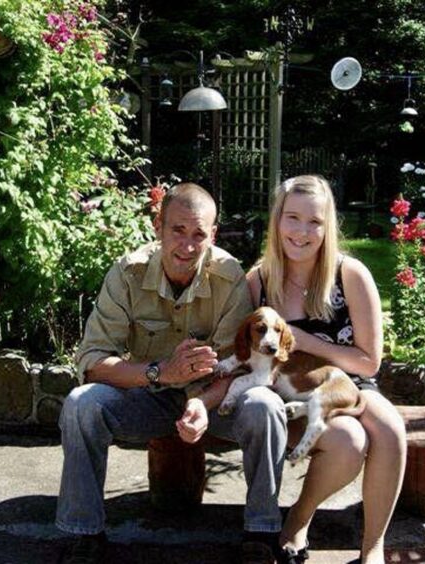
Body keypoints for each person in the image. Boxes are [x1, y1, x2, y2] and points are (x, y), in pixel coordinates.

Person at [56, 183, 288, 564]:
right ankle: (83, 535)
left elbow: (240, 365)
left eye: (199, 234)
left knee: (265, 405)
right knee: (82, 404)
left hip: (214, 400)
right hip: (148, 394)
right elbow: (93, 362)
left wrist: (200, 402)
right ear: (158, 225)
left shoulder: (230, 278)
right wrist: (159, 372)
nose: (188, 244)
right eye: (177, 230)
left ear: (212, 235)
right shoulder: (127, 273)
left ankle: (261, 532)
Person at [249, 175, 407, 564]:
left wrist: (306, 341)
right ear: (277, 221)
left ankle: (372, 547)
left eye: (315, 222)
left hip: (350, 382)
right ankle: (298, 521)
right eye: (292, 218)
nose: (302, 232)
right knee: (349, 442)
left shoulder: (350, 274)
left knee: (390, 428)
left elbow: (369, 360)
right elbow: (248, 349)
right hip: (288, 392)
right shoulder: (259, 280)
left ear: (328, 226)